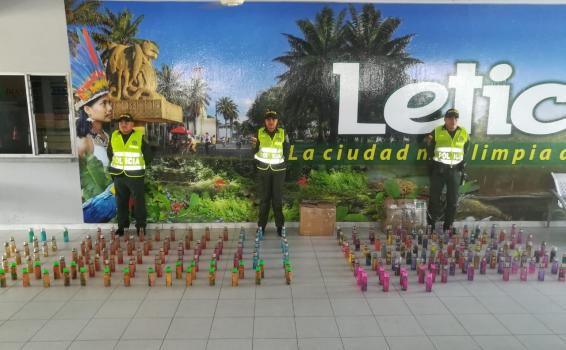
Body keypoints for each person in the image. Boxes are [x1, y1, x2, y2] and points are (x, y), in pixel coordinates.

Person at [72, 27, 116, 223]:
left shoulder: (106, 136)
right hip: (92, 212)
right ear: (88, 110)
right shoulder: (83, 141)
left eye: (110, 102)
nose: (109, 108)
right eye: (103, 103)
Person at [107, 113, 153, 236]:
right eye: (121, 122)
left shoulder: (139, 137)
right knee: (120, 202)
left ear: (132, 124)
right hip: (119, 176)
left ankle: (141, 226)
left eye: (127, 122)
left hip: (135, 176)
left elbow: (148, 156)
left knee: (139, 202)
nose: (123, 124)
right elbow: (110, 154)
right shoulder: (114, 137)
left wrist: (139, 166)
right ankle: (122, 226)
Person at [425, 108, 469, 232]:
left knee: (453, 201)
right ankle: (431, 225)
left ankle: (448, 226)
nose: (453, 120)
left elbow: (466, 149)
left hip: (455, 171)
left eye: (455, 118)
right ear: (445, 119)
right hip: (439, 170)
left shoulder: (464, 132)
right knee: (434, 199)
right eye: (450, 118)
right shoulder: (437, 131)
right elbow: (428, 145)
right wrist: (433, 161)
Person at [253, 110, 289, 236]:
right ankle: (261, 227)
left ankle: (280, 227)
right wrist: (258, 164)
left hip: (279, 171)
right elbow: (256, 149)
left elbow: (287, 150)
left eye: (273, 119)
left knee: (277, 200)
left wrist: (284, 164)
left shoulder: (283, 133)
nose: (271, 121)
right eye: (268, 119)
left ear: (277, 121)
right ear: (265, 121)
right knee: (264, 200)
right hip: (264, 170)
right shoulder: (260, 133)